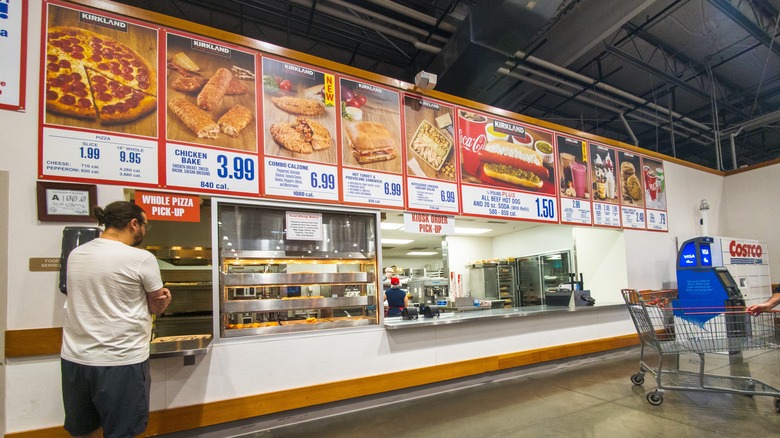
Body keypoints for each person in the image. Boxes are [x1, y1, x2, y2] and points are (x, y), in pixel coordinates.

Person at [61, 201, 172, 438]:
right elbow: (156, 304)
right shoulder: (141, 258)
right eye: (145, 225)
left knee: (85, 430)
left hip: (75, 359)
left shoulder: (77, 254)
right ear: (134, 224)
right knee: (124, 431)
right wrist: (164, 300)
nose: (144, 231)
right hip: (121, 360)